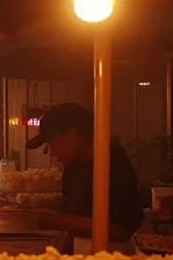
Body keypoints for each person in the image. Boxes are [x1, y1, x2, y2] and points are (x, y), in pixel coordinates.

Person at [25, 102, 145, 251]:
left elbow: (122, 229)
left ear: (72, 136)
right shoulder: (73, 168)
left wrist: (53, 220)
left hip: (112, 258)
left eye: (52, 143)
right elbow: (72, 223)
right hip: (79, 257)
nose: (52, 153)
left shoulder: (112, 161)